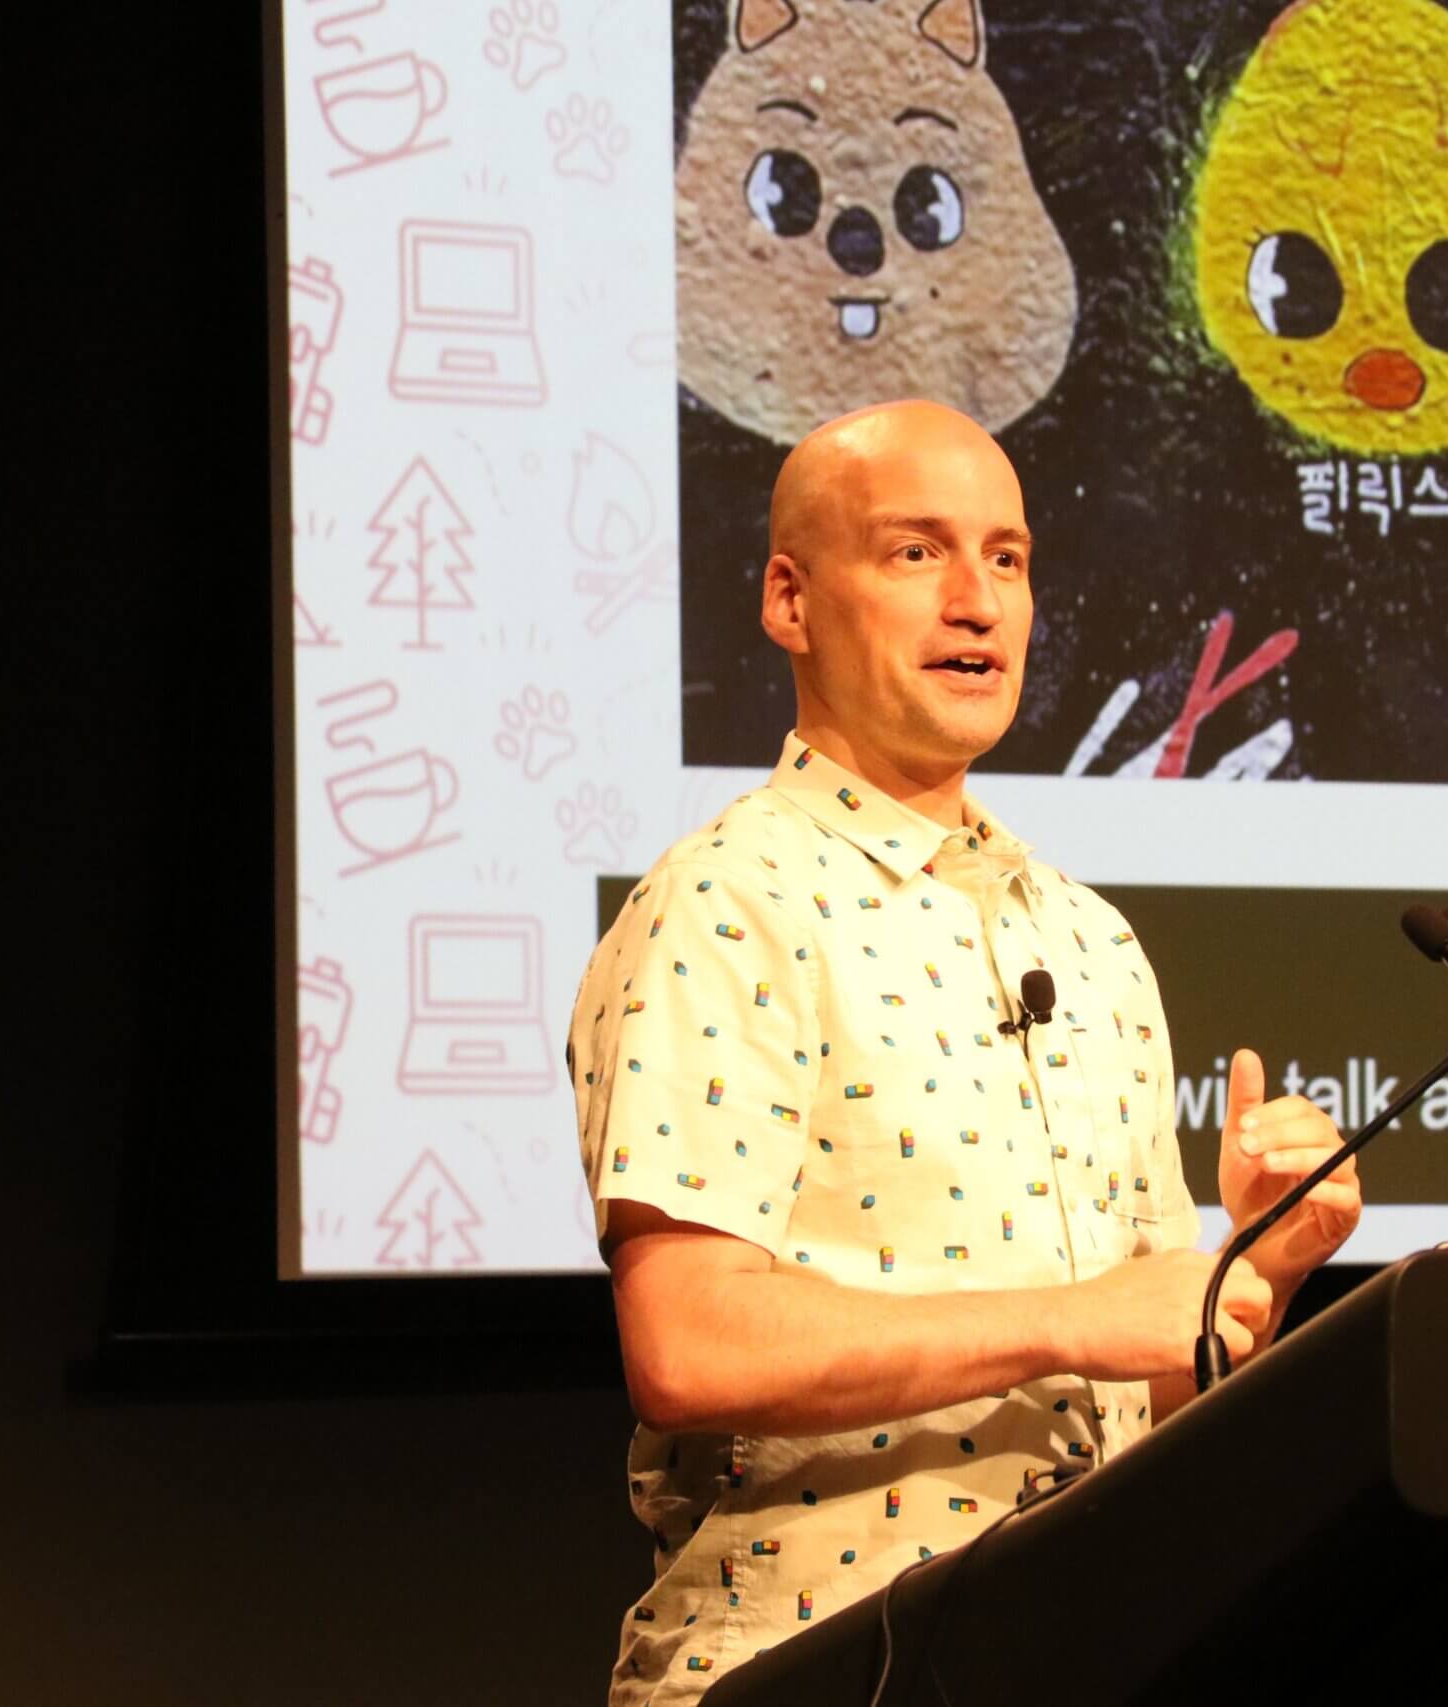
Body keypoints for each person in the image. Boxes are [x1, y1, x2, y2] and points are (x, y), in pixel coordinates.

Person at [568, 399, 1362, 1701]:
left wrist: (1253, 1276)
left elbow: (1154, 1401)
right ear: (788, 599)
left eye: (1007, 558)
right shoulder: (727, 903)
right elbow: (690, 1338)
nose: (979, 601)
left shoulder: (1090, 938)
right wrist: (1074, 1320)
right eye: (915, 552)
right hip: (817, 1672)